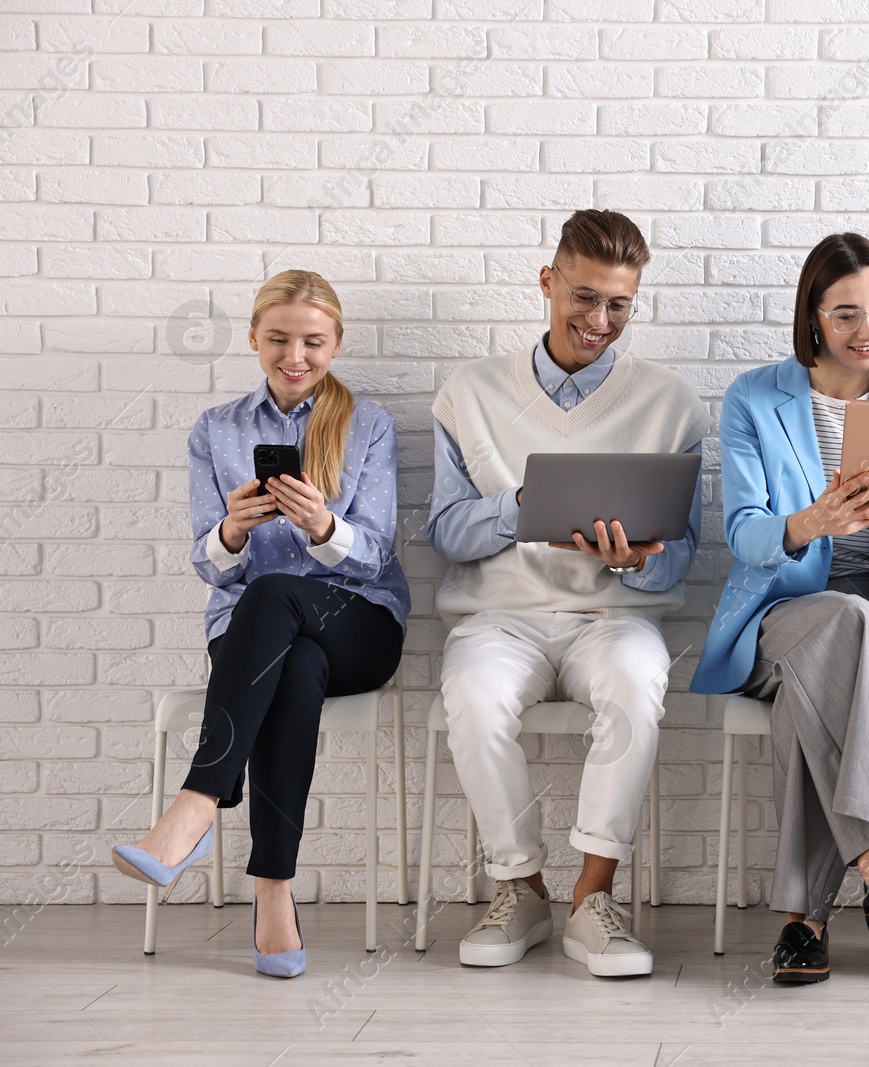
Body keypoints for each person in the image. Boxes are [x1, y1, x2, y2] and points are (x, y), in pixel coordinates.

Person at [425, 209, 709, 977]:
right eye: (583, 297)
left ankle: (593, 898)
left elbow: (679, 558)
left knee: (637, 676)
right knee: (475, 694)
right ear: (548, 283)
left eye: (619, 304)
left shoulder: (670, 403)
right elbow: (446, 532)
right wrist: (522, 507)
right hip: (501, 616)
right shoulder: (471, 392)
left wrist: (633, 559)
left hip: (611, 616)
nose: (599, 320)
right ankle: (519, 887)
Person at [112, 270, 410, 979]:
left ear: (336, 344)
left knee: (279, 594)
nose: (294, 355)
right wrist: (233, 532)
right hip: (260, 638)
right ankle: (274, 892)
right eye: (278, 339)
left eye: (312, 341)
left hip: (358, 623)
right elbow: (208, 565)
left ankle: (195, 805)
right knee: (293, 662)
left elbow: (375, 558)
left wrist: (323, 525)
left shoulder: (367, 424)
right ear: (253, 339)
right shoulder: (216, 429)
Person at [691, 233, 869, 984]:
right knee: (841, 621)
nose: (868, 331)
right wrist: (813, 522)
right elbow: (744, 533)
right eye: (846, 315)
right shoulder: (756, 397)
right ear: (812, 318)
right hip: (785, 616)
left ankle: (805, 922)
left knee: (841, 649)